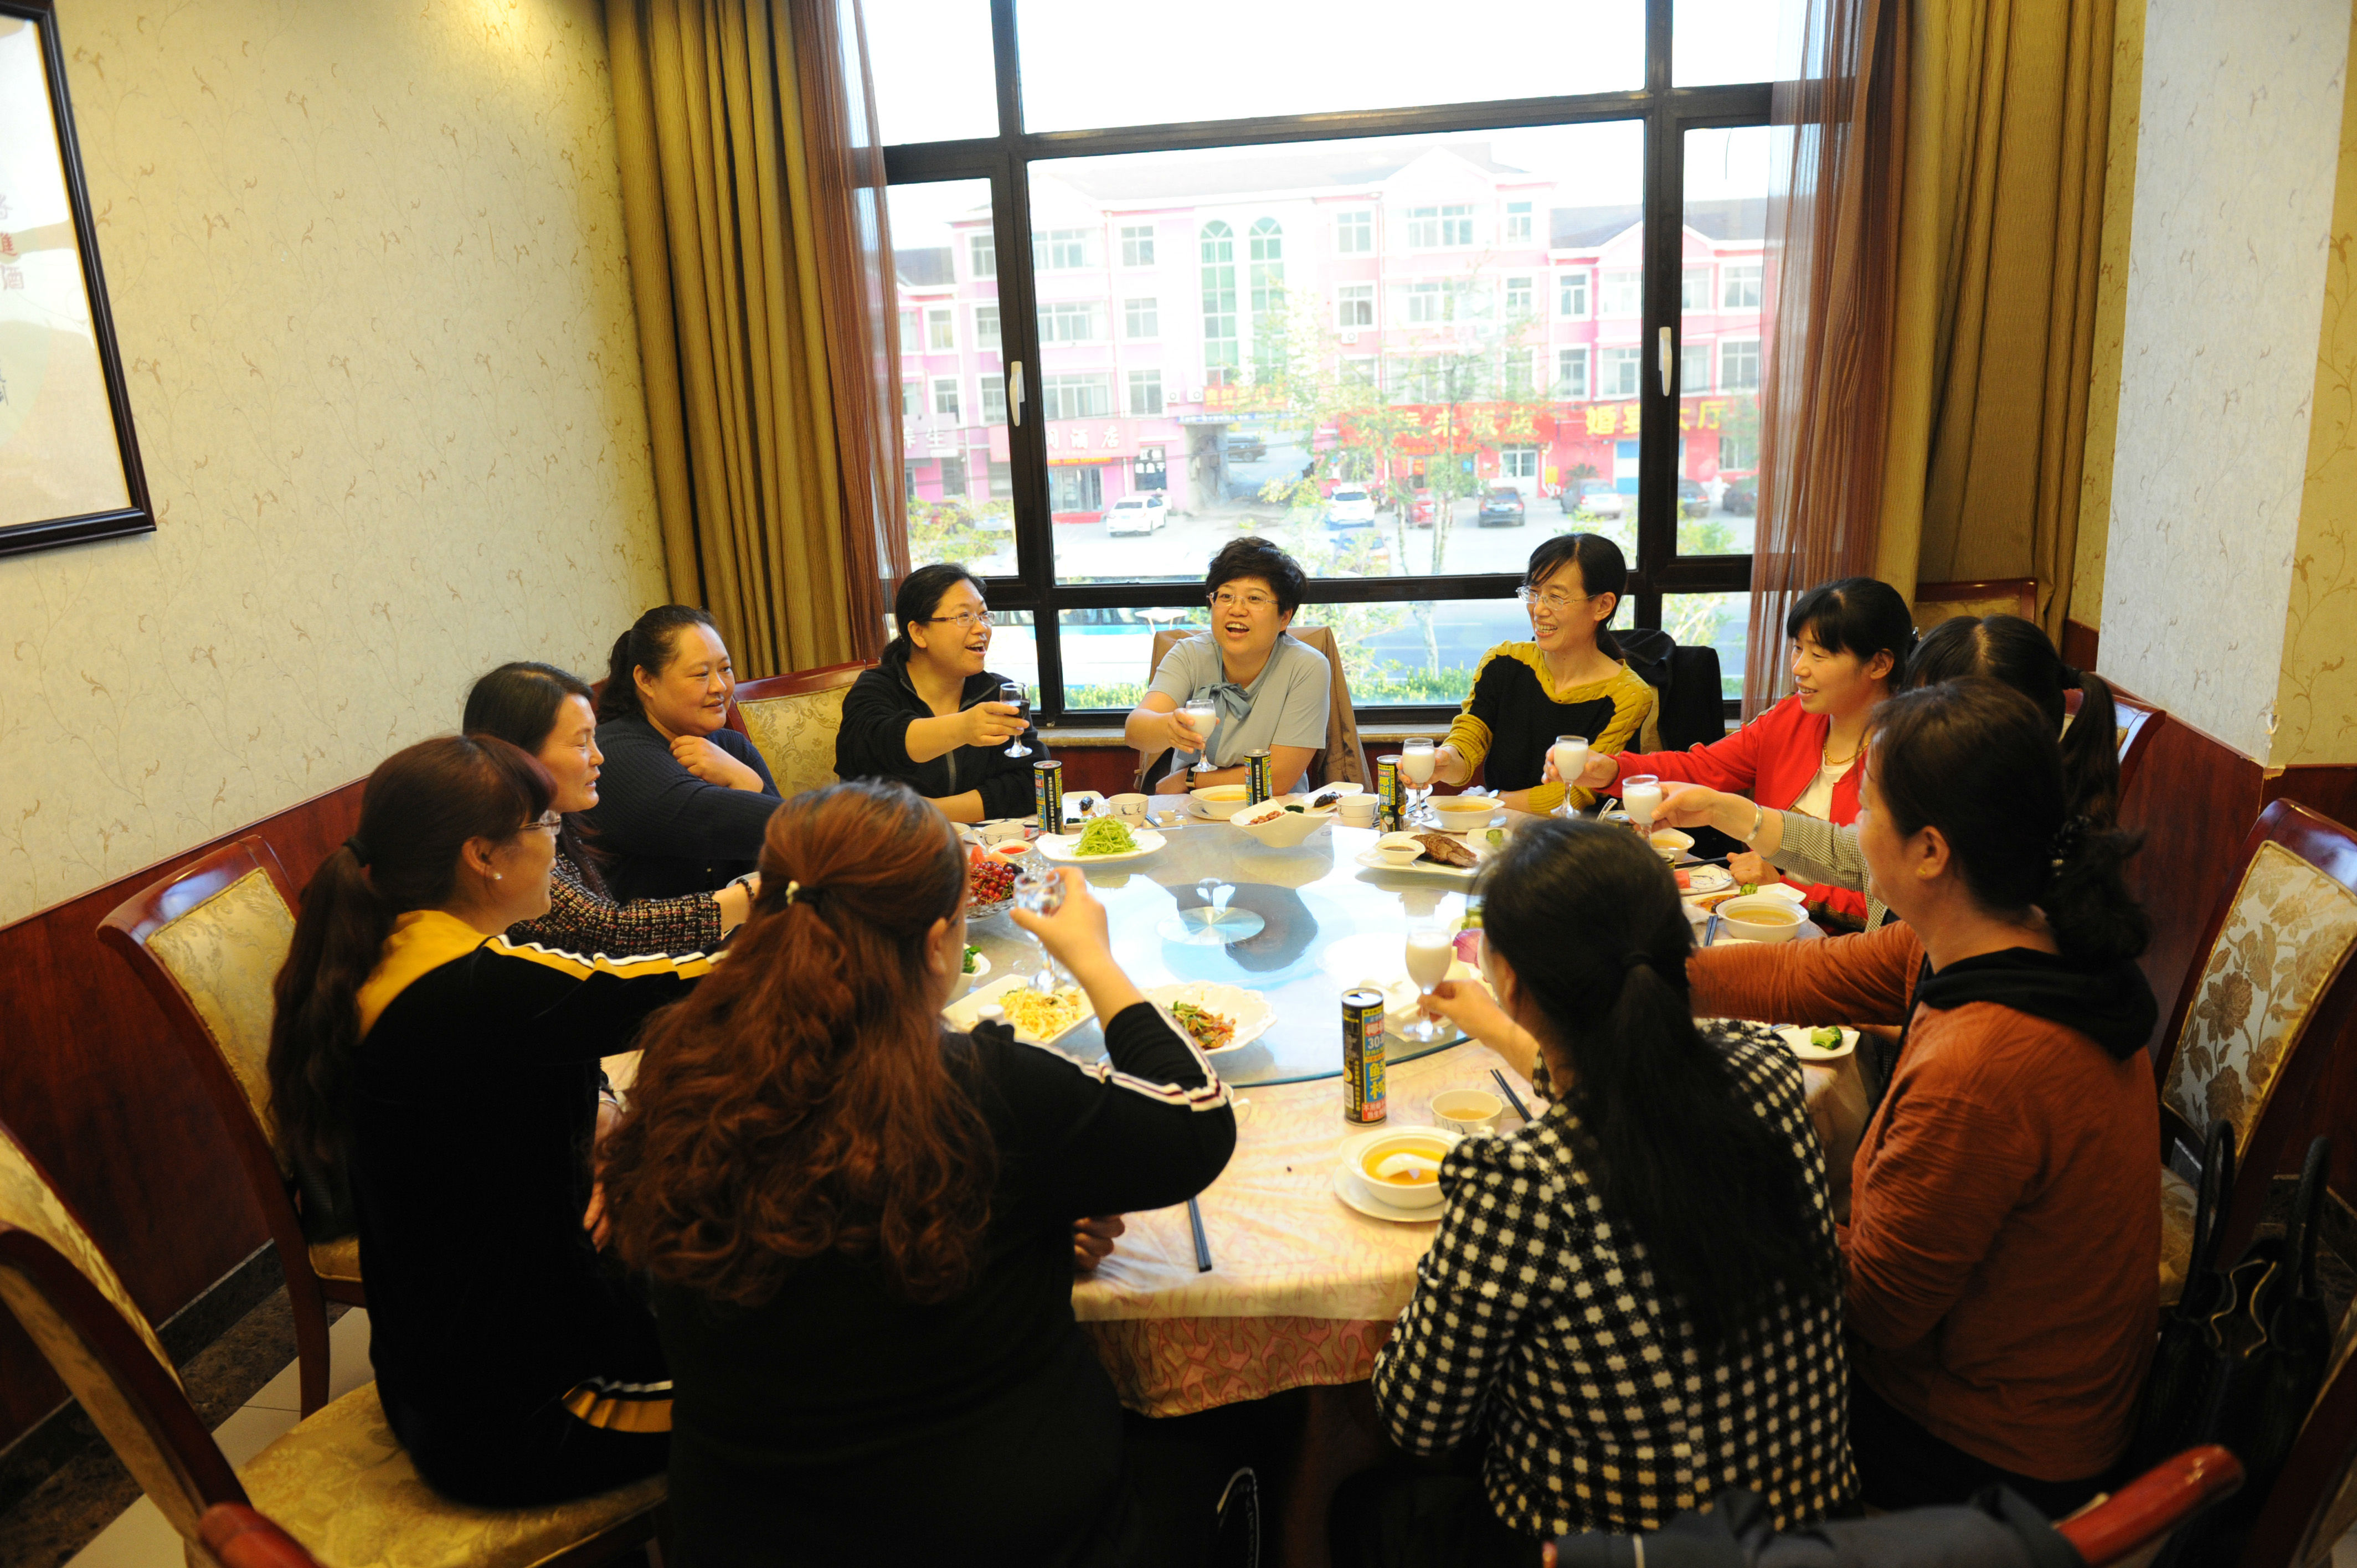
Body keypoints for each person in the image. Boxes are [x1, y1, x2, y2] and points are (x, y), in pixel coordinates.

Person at [597, 780, 1238, 1567]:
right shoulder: (983, 1090)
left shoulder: (679, 1071)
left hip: (742, 1534)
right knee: (1216, 1440)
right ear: (938, 944)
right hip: (1002, 1537)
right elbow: (1198, 1122)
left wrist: (1029, 1228)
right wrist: (1094, 961)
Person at [1687, 679, 2159, 1515]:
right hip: (2008, 1391)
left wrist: (1723, 1197)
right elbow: (1805, 974)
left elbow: (1873, 1307)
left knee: (1666, 1345)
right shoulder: (2008, 932)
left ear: (1931, 851)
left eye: (1865, 807)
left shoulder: (1981, 1067)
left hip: (1985, 1452)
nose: (1851, 829)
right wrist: (1656, 973)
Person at [1345, 818, 1854, 1562]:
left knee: (1357, 1499)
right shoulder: (1768, 1071)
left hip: (1608, 1553)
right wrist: (1495, 1029)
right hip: (1814, 1536)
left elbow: (1419, 1421)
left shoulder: (1520, 1184)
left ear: (1508, 980)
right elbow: (1627, 1086)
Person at [265, 736, 713, 1506]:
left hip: (445, 1374)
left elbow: (553, 1043)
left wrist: (597, 1121)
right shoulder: (472, 988)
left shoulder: (398, 951)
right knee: (799, 1386)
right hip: (531, 1412)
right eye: (546, 826)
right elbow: (659, 988)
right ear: (482, 857)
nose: (557, 844)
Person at [1646, 614, 2126, 933]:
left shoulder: (2001, 896)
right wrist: (1720, 808)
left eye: (1920, 707)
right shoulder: (1979, 830)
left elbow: (1910, 1008)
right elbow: (1848, 854)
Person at [1566, 576, 1915, 925]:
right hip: (1759, 918)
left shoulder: (1909, 757)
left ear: (1879, 664)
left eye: (1819, 655)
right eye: (1798, 648)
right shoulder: (1791, 718)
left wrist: (1785, 888)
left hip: (1845, 941)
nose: (1799, 668)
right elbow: (1703, 768)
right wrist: (1614, 771)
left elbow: (1892, 905)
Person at [464, 661, 756, 953]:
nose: (598, 757)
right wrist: (754, 895)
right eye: (581, 744)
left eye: (725, 668)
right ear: (519, 753)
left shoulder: (556, 819)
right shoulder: (503, 844)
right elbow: (609, 930)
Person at [1429, 533, 1653, 814]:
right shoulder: (1503, 661)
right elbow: (1469, 739)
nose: (1538, 609)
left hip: (1573, 835)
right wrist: (1444, 762)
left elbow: (1574, 793)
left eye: (1556, 598)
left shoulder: (1628, 695)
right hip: (1495, 828)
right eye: (1533, 593)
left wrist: (1492, 800)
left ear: (1602, 606)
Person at [583, 606, 780, 900]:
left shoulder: (732, 746)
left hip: (738, 922)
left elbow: (790, 847)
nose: (720, 686)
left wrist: (741, 776)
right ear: (646, 680)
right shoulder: (616, 754)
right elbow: (780, 827)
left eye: (725, 669)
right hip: (653, 927)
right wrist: (747, 782)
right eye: (701, 674)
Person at [833, 564, 1042, 823]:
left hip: (982, 841)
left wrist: (928, 812)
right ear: (918, 633)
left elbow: (1032, 782)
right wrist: (964, 728)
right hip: (892, 842)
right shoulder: (875, 689)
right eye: (963, 616)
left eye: (983, 615)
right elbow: (877, 746)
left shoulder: (996, 693)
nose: (981, 628)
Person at [1125, 537, 1330, 797]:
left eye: (1254, 599)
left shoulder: (1307, 667)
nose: (1237, 609)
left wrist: (1189, 780)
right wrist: (1168, 727)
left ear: (1284, 618)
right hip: (1190, 809)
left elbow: (1278, 777)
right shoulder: (1190, 654)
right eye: (1226, 596)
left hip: (1270, 809)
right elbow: (1136, 730)